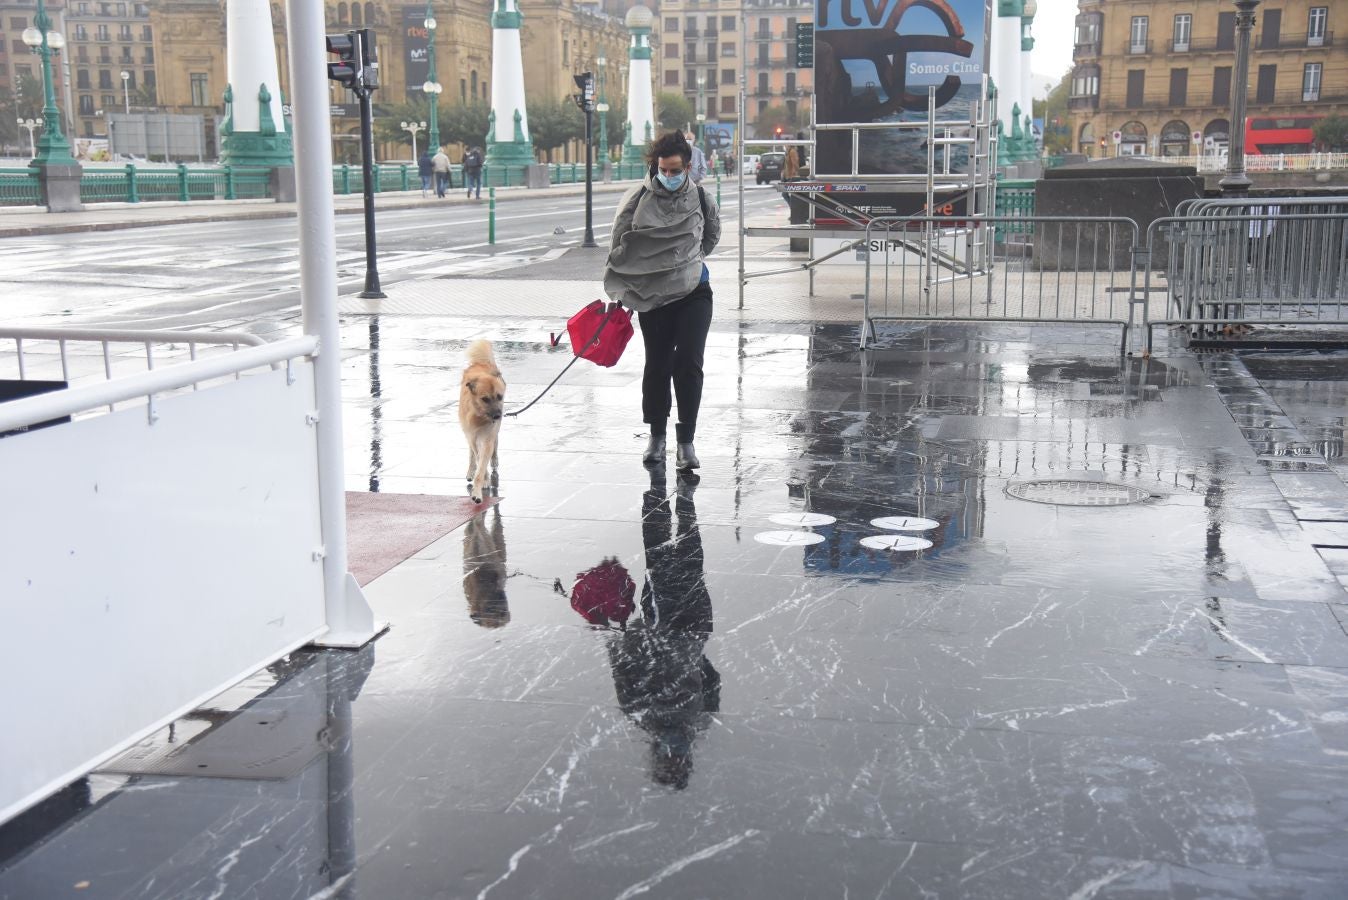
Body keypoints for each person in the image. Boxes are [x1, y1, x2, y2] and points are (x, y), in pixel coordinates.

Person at [604, 131, 722, 472]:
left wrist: (685, 262)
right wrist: (624, 289)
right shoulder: (637, 200)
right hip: (654, 296)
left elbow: (711, 236)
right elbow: (620, 246)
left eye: (675, 171)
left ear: (687, 168)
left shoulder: (702, 197)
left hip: (694, 292)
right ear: (655, 168)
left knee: (688, 361)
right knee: (657, 364)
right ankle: (657, 436)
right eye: (663, 171)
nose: (668, 177)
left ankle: (686, 443)